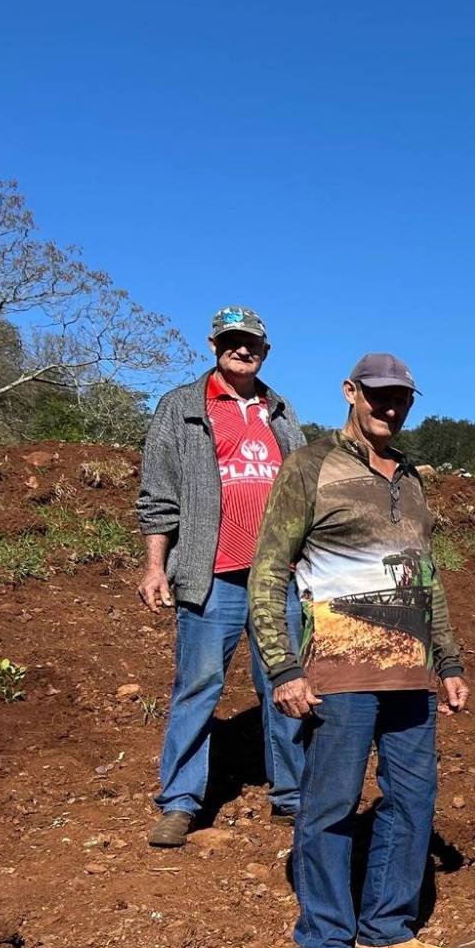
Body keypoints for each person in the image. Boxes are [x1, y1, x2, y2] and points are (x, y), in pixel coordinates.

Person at [250, 353, 467, 948]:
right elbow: (268, 570)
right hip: (337, 674)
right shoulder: (310, 466)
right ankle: (324, 945)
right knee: (331, 804)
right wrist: (283, 667)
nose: (390, 408)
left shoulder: (411, 476)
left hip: (411, 675)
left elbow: (426, 577)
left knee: (412, 800)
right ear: (351, 392)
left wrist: (449, 660)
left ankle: (388, 925)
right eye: (378, 396)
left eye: (402, 398)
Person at [136, 305, 307, 845]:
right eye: (232, 340)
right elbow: (158, 493)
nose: (242, 349)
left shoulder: (280, 413)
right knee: (199, 685)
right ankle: (181, 802)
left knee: (285, 683)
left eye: (251, 341)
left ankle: (293, 795)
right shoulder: (183, 408)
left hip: (277, 579)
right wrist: (155, 566)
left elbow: (306, 493)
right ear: (214, 345)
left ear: (265, 350)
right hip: (212, 577)